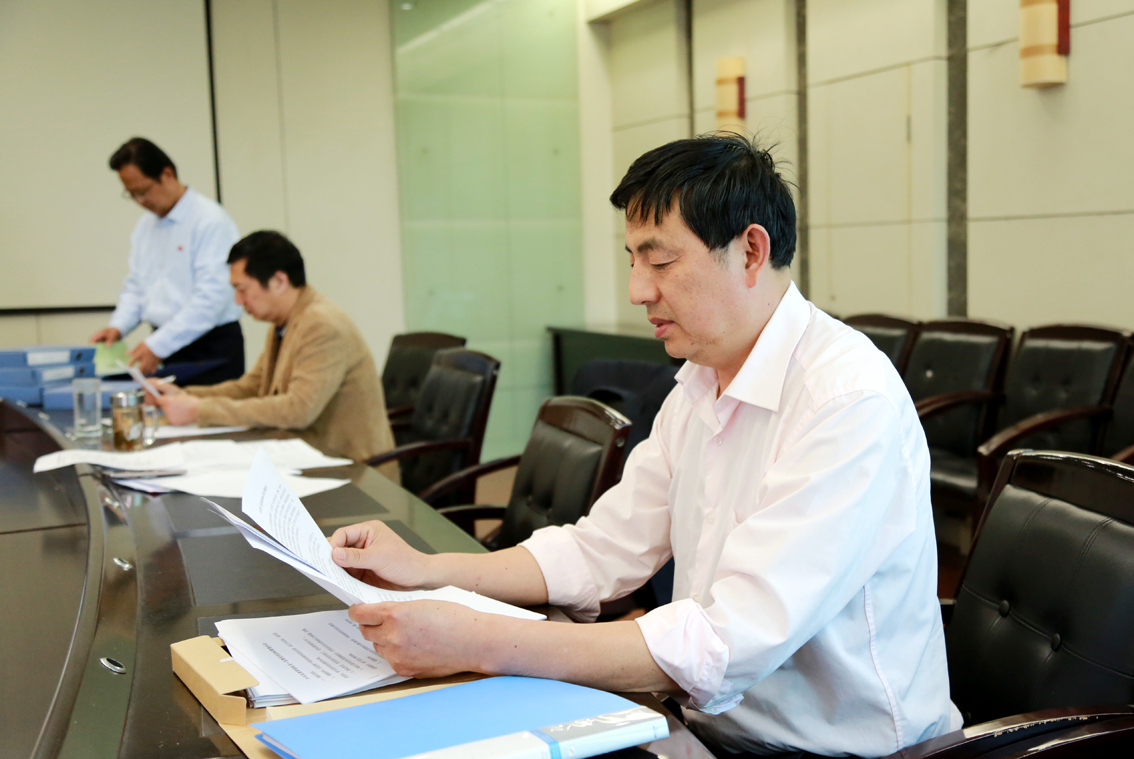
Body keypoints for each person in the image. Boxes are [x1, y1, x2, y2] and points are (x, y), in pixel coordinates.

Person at [326, 134, 961, 757]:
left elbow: (723, 642)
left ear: (750, 251)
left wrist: (476, 641)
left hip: (843, 753)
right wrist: (426, 570)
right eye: (632, 260)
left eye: (660, 263)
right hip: (708, 727)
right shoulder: (701, 382)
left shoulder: (845, 400)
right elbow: (602, 549)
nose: (638, 290)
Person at [152, 231, 397, 474]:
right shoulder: (285, 323)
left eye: (242, 289)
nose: (238, 301)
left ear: (279, 281)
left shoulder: (322, 324)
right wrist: (184, 395)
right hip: (307, 458)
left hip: (354, 471)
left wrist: (200, 410)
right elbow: (251, 387)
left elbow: (298, 409)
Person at [91, 137, 244, 384]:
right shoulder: (145, 227)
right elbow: (136, 287)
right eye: (132, 195)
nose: (141, 201)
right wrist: (118, 327)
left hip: (211, 349)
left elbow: (212, 298)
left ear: (167, 174)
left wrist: (158, 345)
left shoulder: (210, 221)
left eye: (144, 191)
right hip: (167, 346)